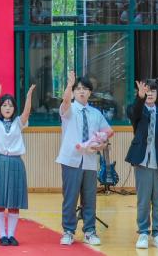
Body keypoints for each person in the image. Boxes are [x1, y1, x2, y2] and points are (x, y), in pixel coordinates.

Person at [55, 72, 109, 246]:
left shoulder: (96, 114)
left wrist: (102, 144)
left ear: (90, 92)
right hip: (71, 159)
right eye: (78, 89)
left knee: (89, 198)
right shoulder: (69, 109)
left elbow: (107, 132)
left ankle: (90, 231)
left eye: (85, 89)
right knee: (70, 197)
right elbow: (65, 102)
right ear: (73, 92)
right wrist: (69, 85)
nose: (81, 91)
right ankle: (68, 231)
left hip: (90, 161)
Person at [125, 80, 158, 250]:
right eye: (147, 91)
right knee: (143, 200)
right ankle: (143, 232)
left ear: (157, 94)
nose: (150, 93)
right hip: (142, 163)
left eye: (153, 91)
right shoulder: (137, 111)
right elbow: (134, 112)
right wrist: (139, 98)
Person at [0, 82, 34, 246]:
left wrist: (29, 96)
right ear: (0, 107)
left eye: (10, 105)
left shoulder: (18, 123)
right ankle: (2, 236)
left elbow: (26, 113)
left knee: (14, 201)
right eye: (4, 105)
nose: (7, 108)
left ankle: (11, 235)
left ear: (14, 109)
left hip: (15, 163)